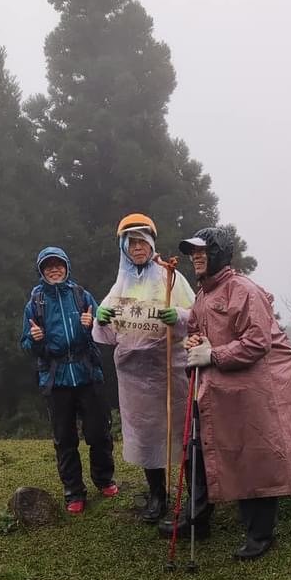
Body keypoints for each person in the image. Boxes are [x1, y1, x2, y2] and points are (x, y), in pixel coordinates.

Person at [177, 226, 291, 560]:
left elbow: (258, 342)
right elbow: (196, 328)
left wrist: (214, 355)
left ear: (219, 253)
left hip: (253, 389)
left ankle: (260, 535)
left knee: (254, 456)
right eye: (192, 251)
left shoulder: (243, 290)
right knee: (201, 449)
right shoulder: (203, 293)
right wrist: (193, 342)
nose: (195, 256)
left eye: (202, 250)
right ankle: (197, 519)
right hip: (219, 388)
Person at [92, 214, 195, 521]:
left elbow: (197, 315)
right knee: (147, 434)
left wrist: (177, 315)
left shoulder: (170, 277)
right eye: (131, 243)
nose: (137, 248)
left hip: (168, 370)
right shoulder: (120, 283)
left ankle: (193, 500)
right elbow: (107, 332)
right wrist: (101, 316)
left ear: (151, 244)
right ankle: (157, 497)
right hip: (134, 378)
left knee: (180, 431)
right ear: (124, 247)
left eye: (142, 242)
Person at [21, 247, 118, 514]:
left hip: (87, 374)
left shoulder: (82, 296)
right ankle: (74, 492)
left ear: (67, 267)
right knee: (65, 439)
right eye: (48, 266)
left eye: (58, 265)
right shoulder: (35, 303)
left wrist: (91, 324)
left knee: (99, 432)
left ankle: (104, 479)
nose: (54, 270)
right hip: (56, 379)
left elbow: (105, 330)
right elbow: (26, 343)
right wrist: (36, 339)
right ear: (41, 271)